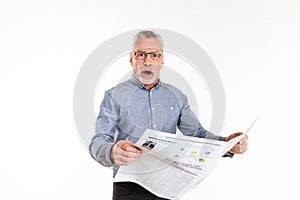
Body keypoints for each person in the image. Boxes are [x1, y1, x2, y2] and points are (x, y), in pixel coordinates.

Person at [89, 30, 248, 200]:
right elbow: (98, 142)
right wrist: (112, 151)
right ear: (131, 59)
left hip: (167, 189)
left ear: (162, 60)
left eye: (155, 55)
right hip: (129, 189)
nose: (148, 61)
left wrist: (227, 144)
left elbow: (197, 134)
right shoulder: (114, 96)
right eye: (141, 54)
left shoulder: (177, 96)